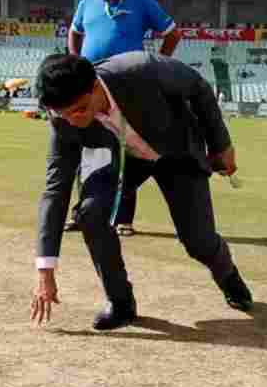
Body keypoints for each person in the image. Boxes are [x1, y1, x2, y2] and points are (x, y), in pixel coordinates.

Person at [29, 52, 254, 331]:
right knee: (90, 214)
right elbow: (56, 188)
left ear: (96, 87)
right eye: (62, 114)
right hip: (122, 161)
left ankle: (228, 276)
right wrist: (45, 270)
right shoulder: (62, 118)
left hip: (177, 151)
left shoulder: (141, 69)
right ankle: (121, 303)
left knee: (198, 241)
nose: (72, 120)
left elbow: (198, 87)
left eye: (79, 110)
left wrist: (221, 146)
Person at [65, 0, 181, 237]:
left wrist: (157, 66)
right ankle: (84, 213)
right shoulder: (87, 3)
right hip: (91, 89)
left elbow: (172, 33)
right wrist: (75, 62)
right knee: (89, 152)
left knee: (126, 153)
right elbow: (74, 31)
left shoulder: (141, 2)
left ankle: (123, 218)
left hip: (129, 90)